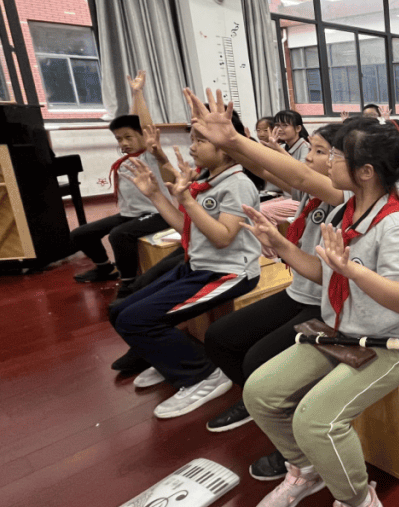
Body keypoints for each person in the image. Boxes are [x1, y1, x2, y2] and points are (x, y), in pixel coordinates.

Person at [241, 118, 399, 507]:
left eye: (336, 155)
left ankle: (358, 504)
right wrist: (280, 247)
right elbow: (324, 274)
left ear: (365, 171)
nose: (325, 161)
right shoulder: (344, 210)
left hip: (396, 342)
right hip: (343, 330)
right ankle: (306, 471)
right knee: (259, 391)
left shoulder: (396, 227)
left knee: (316, 418)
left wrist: (353, 270)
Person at [186, 97, 346, 448]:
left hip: (325, 304)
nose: (308, 157)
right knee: (219, 337)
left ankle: (287, 428)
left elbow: (297, 173)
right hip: (299, 292)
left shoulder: (341, 193)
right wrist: (234, 142)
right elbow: (269, 172)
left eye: (319, 152)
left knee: (259, 358)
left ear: (341, 162)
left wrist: (232, 140)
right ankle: (257, 404)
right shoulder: (310, 193)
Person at [109, 94, 262, 419]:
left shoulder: (237, 185)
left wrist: (187, 201)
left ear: (225, 146)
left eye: (200, 141)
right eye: (193, 139)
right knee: (121, 310)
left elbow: (223, 239)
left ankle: (202, 375)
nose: (192, 147)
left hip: (229, 273)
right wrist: (155, 195)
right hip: (198, 266)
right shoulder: (206, 180)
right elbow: (186, 226)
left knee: (136, 319)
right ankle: (169, 362)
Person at [71, 72, 174, 293]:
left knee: (120, 235)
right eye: (119, 139)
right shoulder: (126, 159)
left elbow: (144, 126)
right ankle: (104, 268)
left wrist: (138, 93)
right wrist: (133, 97)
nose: (123, 143)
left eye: (128, 137)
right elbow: (133, 123)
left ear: (143, 138)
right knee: (81, 233)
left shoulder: (150, 154)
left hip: (157, 214)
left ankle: (128, 282)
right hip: (131, 214)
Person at [260, 110, 311, 224]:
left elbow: (300, 171)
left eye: (285, 125)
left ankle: (273, 241)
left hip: (301, 199)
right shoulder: (282, 146)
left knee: (263, 211)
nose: (280, 129)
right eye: (277, 125)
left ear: (298, 128)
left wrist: (277, 149)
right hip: (287, 196)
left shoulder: (305, 147)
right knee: (254, 209)